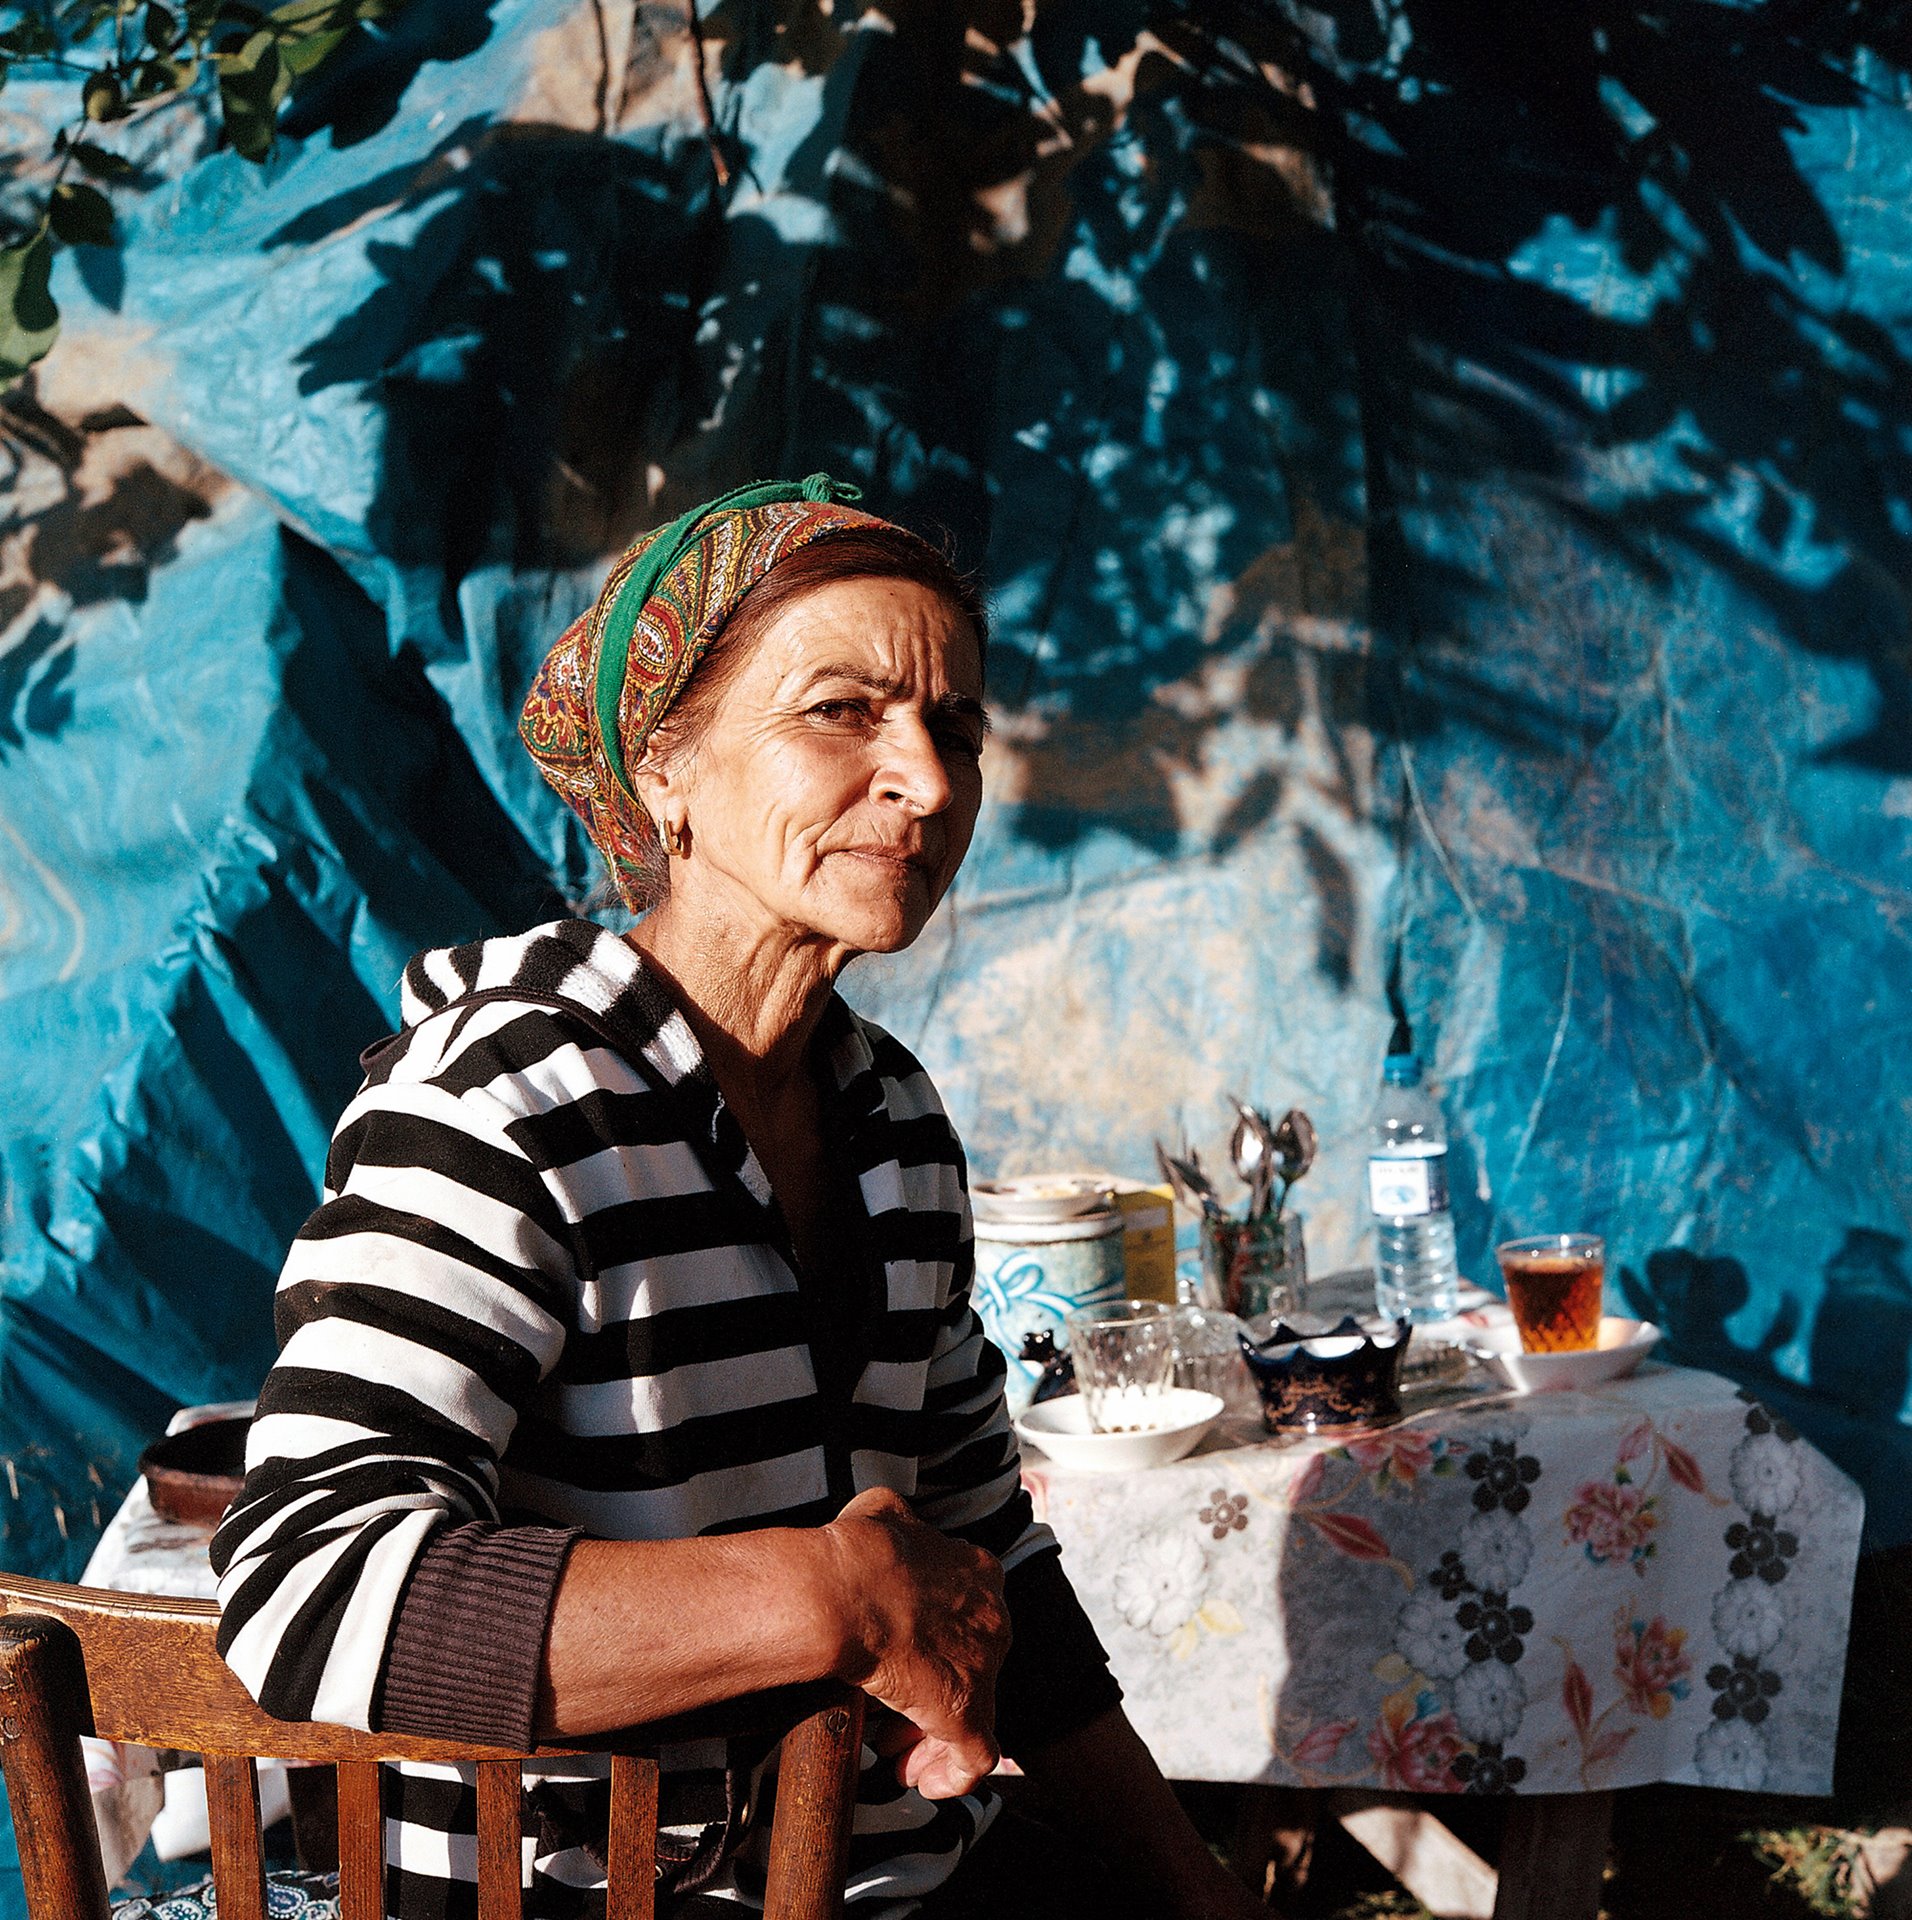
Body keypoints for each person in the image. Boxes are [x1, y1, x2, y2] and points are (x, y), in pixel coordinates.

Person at [211, 475, 1269, 1920]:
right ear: (667, 769)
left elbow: (987, 1554)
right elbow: (311, 1584)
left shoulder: (890, 1122)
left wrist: (1196, 1891)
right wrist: (826, 1602)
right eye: (843, 712)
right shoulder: (504, 1100)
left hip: (871, 1883)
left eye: (953, 726)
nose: (930, 780)